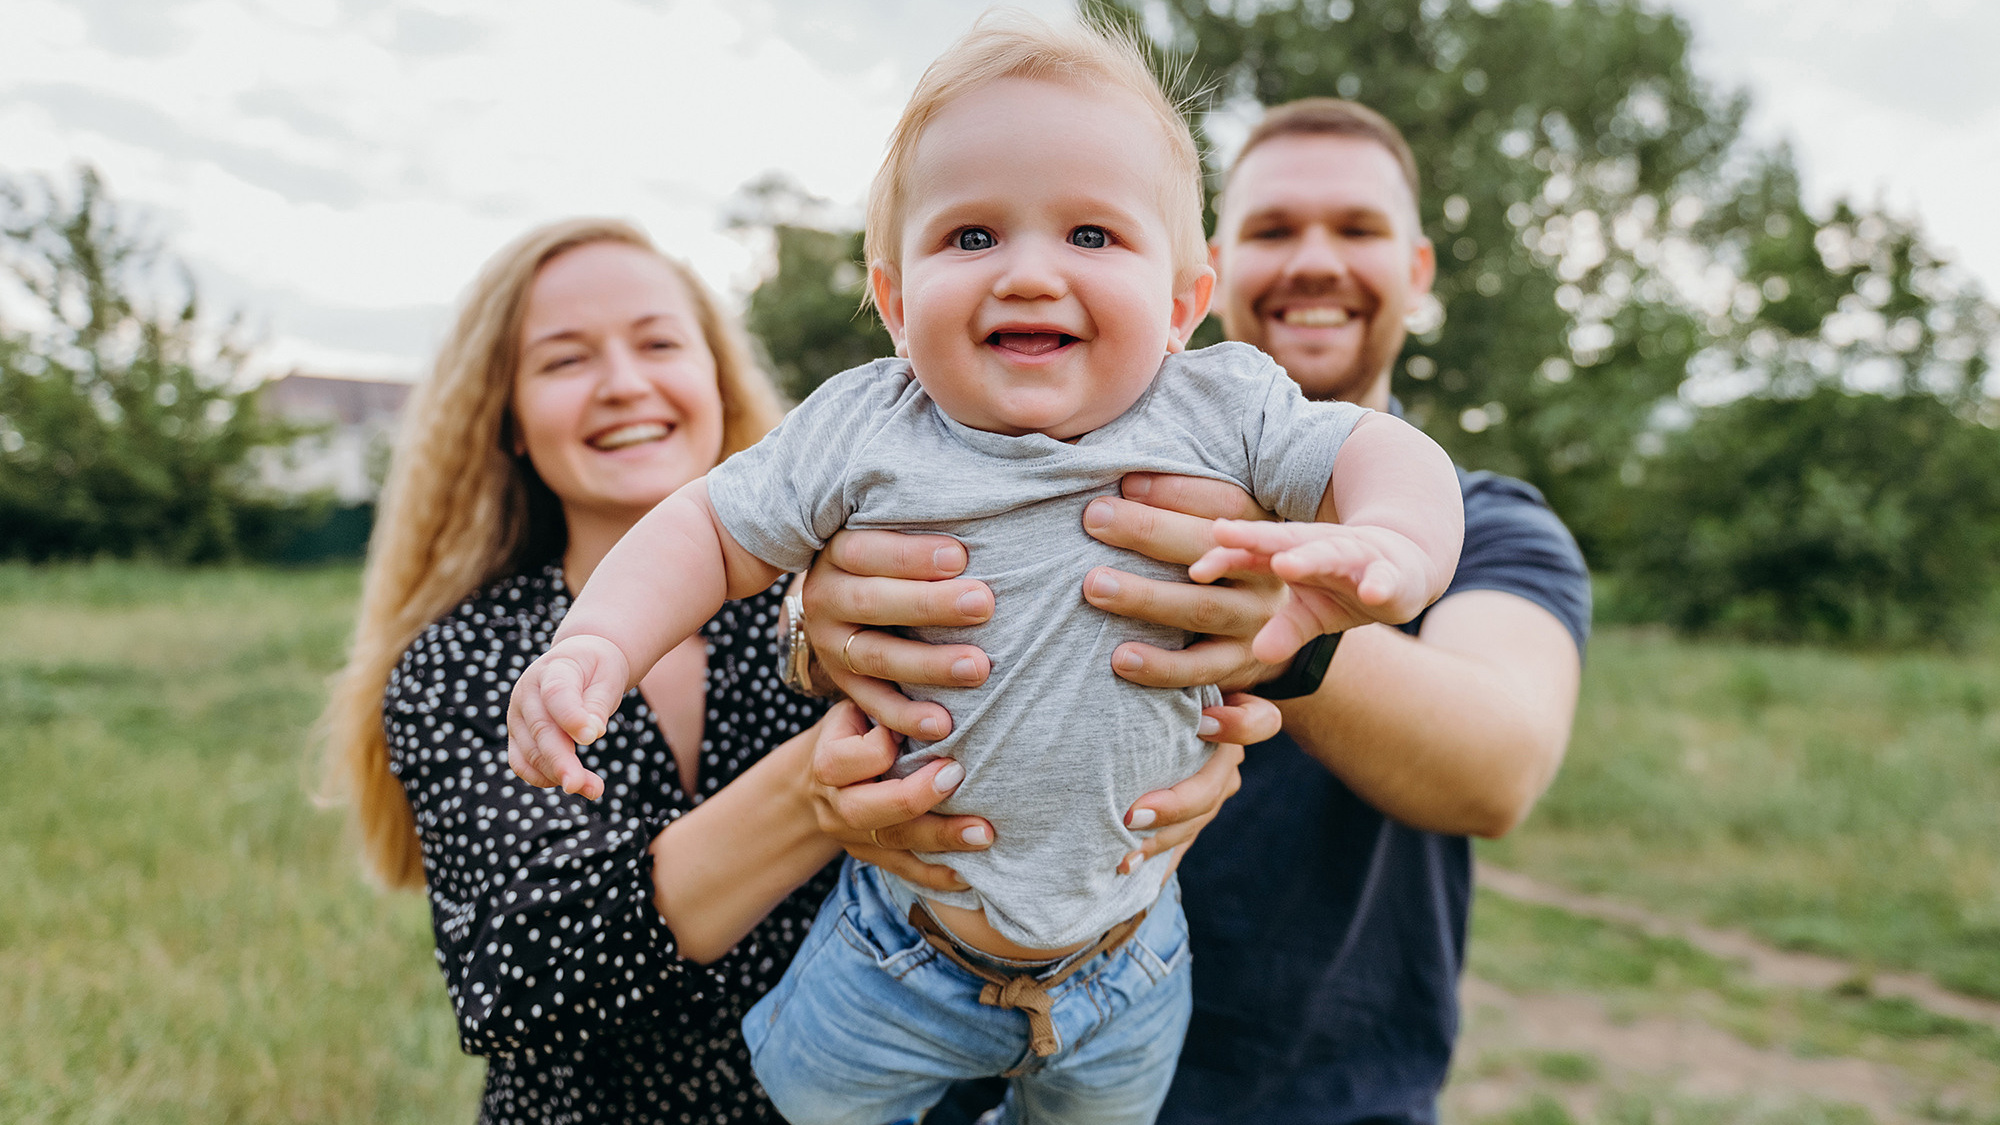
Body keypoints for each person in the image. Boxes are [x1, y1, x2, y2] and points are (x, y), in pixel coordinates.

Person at [505, 23, 1463, 1125]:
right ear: (897, 299)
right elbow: (705, 531)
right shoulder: (865, 429)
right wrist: (596, 643)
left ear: (1180, 299)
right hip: (899, 946)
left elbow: (1378, 452)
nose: (1027, 272)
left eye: (1092, 233)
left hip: (1127, 958)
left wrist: (1395, 541)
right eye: (969, 236)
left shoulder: (1222, 412)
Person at [318, 217, 1249, 1125]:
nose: (624, 383)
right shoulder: (469, 657)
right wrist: (813, 793)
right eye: (565, 359)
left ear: (718, 381)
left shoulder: (876, 579)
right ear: (510, 419)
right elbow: (514, 981)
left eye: (659, 343)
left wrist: (1174, 748)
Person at [808, 98, 1592, 1123]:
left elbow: (1498, 770)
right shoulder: (997, 459)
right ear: (1204, 273)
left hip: (1316, 1095)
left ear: (1417, 270)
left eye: (1355, 229)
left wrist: (1272, 632)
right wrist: (811, 633)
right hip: (988, 1066)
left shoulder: (1481, 521)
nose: (1312, 260)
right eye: (1273, 230)